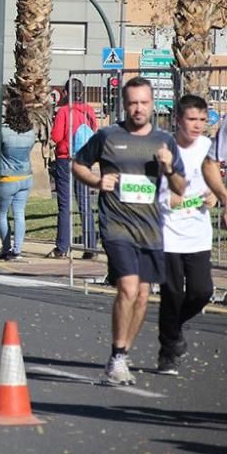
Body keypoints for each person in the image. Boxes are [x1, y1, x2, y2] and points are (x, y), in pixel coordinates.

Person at [73, 77, 185, 386]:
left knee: (143, 295)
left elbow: (180, 187)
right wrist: (97, 181)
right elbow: (78, 165)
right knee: (129, 288)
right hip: (116, 225)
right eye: (133, 102)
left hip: (150, 228)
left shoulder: (165, 141)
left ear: (153, 104)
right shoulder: (108, 135)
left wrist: (169, 168)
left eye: (144, 103)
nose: (138, 108)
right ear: (124, 105)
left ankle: (123, 354)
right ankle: (118, 356)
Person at [155, 95, 227, 375]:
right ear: (178, 121)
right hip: (168, 232)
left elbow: (213, 181)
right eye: (191, 120)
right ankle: (168, 350)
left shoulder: (207, 148)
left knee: (201, 292)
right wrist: (174, 197)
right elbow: (161, 191)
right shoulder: (164, 147)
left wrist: (213, 196)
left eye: (201, 120)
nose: (197, 126)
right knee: (172, 293)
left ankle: (171, 329)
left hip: (197, 233)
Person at [48, 78, 99, 259]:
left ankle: (62, 247)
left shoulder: (63, 111)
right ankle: (91, 247)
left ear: (66, 93)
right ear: (83, 93)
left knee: (65, 204)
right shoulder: (89, 110)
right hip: (84, 160)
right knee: (84, 203)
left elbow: (56, 136)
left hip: (65, 158)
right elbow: (94, 130)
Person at [0, 92, 36, 260]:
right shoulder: (30, 132)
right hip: (26, 177)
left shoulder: (3, 131)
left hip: (7, 177)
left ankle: (5, 248)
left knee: (1, 213)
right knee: (19, 213)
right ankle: (17, 249)